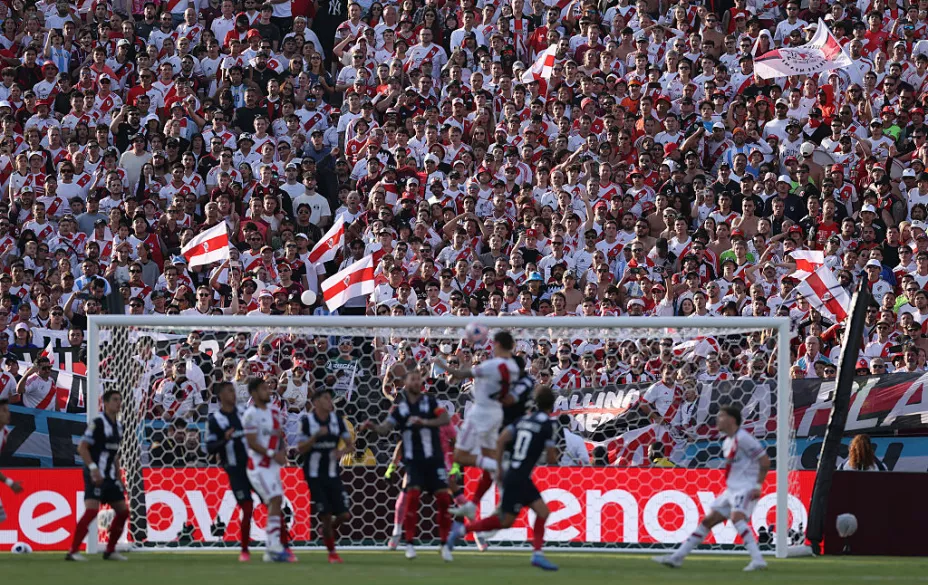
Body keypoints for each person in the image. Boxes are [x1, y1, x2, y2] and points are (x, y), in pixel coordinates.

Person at [447, 385, 561, 571]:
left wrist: (499, 466)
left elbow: (501, 440)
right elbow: (551, 458)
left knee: (542, 512)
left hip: (515, 473)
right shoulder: (549, 424)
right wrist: (552, 458)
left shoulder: (523, 420)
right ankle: (462, 531)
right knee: (505, 521)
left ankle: (537, 554)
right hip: (519, 477)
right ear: (552, 406)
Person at [653, 405, 770, 572]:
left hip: (745, 488)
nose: (717, 420)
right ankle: (677, 557)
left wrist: (757, 486)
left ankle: (758, 560)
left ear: (731, 420)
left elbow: (764, 461)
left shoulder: (744, 438)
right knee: (708, 521)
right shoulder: (728, 441)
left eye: (721, 416)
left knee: (737, 519)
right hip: (731, 490)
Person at [362, 369, 453, 561]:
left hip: (435, 459)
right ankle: (409, 544)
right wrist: (373, 427)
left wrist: (425, 422)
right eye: (412, 379)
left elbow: (445, 419)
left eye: (418, 379)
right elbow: (385, 428)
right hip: (414, 462)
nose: (415, 382)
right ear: (405, 382)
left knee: (444, 500)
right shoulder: (401, 409)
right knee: (412, 498)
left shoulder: (430, 402)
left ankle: (444, 545)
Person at [431, 330, 518, 522]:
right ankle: (484, 501)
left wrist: (441, 364)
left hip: (480, 414)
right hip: (496, 414)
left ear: (496, 345)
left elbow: (460, 375)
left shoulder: (492, 365)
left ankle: (499, 467)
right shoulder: (512, 367)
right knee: (487, 457)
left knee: (461, 455)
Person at [66, 391, 130, 562]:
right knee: (92, 511)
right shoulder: (97, 423)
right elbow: (82, 447)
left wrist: (119, 477)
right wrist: (94, 469)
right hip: (94, 474)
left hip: (109, 477)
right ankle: (72, 551)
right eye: (115, 400)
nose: (118, 403)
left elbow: (114, 455)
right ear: (106, 403)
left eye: (120, 400)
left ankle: (110, 550)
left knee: (123, 512)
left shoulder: (119, 426)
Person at [296, 385, 353, 564]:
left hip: (333, 474)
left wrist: (341, 452)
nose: (330, 402)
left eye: (330, 399)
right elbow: (300, 449)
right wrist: (314, 438)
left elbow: (351, 445)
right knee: (326, 515)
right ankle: (332, 552)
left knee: (344, 516)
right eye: (327, 399)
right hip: (314, 476)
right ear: (316, 403)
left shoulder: (337, 420)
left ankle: (325, 532)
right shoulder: (307, 422)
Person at [242, 377, 294, 563]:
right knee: (274, 500)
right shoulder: (250, 414)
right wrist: (273, 453)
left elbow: (278, 436)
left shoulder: (273, 411)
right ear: (254, 393)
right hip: (258, 466)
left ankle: (273, 548)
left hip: (272, 465)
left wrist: (282, 454)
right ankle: (272, 548)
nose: (269, 391)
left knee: (277, 501)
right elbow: (251, 442)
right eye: (264, 389)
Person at [206, 381, 254, 562]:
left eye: (234, 390)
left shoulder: (245, 413)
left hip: (254, 467)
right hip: (235, 470)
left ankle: (282, 545)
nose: (233, 394)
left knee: (273, 503)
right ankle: (244, 550)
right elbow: (210, 447)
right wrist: (225, 440)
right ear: (220, 396)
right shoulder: (215, 420)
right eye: (229, 391)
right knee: (247, 508)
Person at [0, 398, 23, 524]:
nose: (8, 414)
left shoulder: (5, 433)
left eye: (8, 410)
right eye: (3, 410)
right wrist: (10, 483)